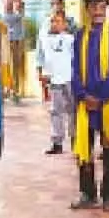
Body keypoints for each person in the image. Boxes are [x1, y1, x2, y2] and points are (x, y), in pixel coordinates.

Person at [70, 0, 109, 212]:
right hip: (85, 104)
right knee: (84, 148)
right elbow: (75, 69)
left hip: (108, 104)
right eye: (94, 7)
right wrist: (83, 95)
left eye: (102, 7)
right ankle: (87, 193)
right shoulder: (80, 36)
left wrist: (102, 96)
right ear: (87, 10)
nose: (98, 12)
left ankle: (108, 195)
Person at [36, 11, 75, 156]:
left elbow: (76, 58)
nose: (54, 24)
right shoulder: (44, 38)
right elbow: (40, 56)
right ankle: (57, 142)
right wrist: (41, 72)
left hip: (69, 78)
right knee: (55, 111)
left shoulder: (70, 39)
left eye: (58, 21)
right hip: (54, 79)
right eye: (52, 21)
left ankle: (75, 138)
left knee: (73, 110)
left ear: (64, 24)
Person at [0, 0, 27, 102]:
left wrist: (20, 43)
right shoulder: (4, 17)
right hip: (5, 44)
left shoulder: (17, 17)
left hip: (15, 43)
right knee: (6, 67)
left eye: (10, 4)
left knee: (15, 68)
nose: (8, 6)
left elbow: (22, 32)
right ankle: (7, 90)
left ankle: (15, 91)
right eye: (7, 4)